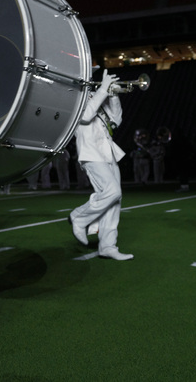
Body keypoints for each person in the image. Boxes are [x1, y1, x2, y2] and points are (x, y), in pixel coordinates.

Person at [68, 69, 133, 261]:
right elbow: (86, 116)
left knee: (115, 201)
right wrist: (104, 89)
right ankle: (79, 217)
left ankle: (108, 246)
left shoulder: (97, 95)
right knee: (113, 192)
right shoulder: (72, 97)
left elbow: (116, 120)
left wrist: (112, 95)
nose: (89, 77)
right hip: (90, 153)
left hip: (108, 152)